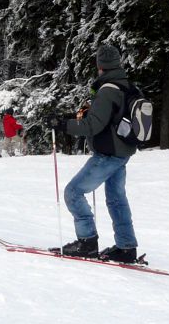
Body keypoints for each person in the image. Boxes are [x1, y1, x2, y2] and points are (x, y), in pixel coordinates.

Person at [48, 44, 139, 263]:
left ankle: (87, 242)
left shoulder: (107, 90)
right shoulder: (128, 86)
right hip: (122, 152)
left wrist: (62, 125)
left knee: (73, 192)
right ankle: (126, 248)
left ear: (100, 66)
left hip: (108, 154)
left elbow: (92, 125)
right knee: (117, 200)